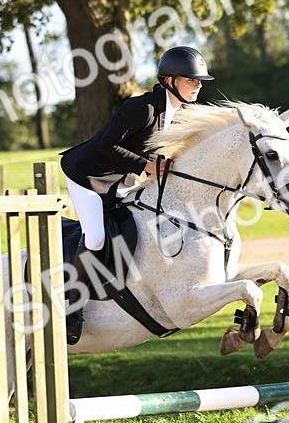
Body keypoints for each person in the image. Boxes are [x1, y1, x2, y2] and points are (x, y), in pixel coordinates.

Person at [58, 45, 215, 343]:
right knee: (96, 238)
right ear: (170, 81)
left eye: (199, 80)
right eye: (191, 79)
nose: (198, 84)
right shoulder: (142, 108)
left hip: (119, 179)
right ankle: (71, 305)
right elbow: (106, 145)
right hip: (87, 176)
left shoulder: (178, 114)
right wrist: (146, 165)